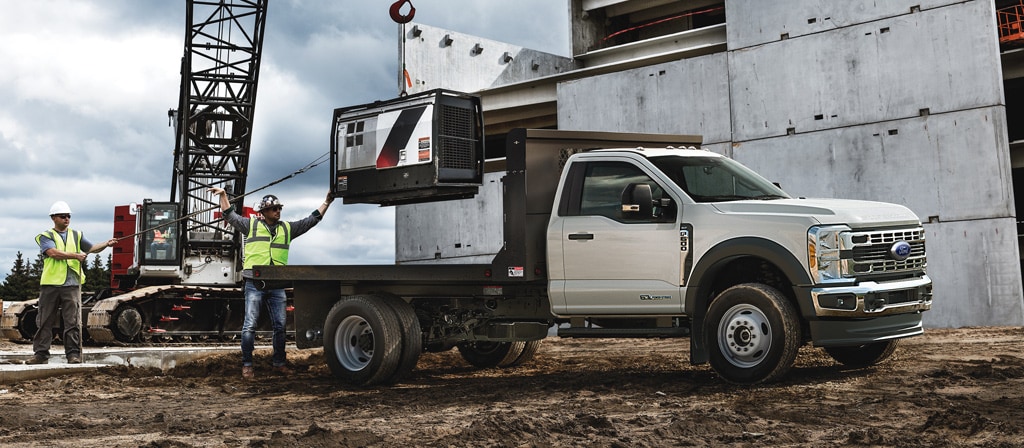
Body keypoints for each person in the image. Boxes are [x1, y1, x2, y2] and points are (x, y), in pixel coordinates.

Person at [208, 187, 333, 379]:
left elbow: (311, 221)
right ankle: (247, 364)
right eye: (274, 209)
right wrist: (224, 196)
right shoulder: (251, 225)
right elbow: (229, 215)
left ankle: (279, 363)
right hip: (254, 283)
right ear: (264, 212)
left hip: (276, 285)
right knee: (249, 325)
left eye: (279, 208)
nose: (278, 211)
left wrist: (327, 202)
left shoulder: (287, 229)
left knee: (280, 327)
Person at [27, 201, 117, 365]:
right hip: (51, 284)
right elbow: (53, 253)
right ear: (54, 218)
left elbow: (92, 248)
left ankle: (73, 355)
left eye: (68, 216)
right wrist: (75, 256)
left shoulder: (77, 235)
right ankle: (41, 355)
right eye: (63, 216)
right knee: (44, 321)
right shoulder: (46, 236)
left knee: (73, 322)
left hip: (72, 284)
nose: (67, 219)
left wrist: (106, 244)